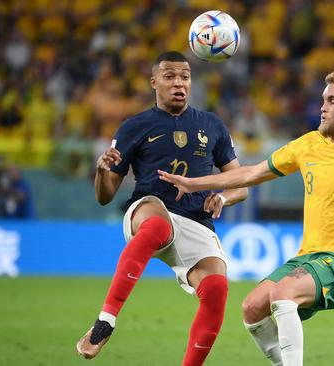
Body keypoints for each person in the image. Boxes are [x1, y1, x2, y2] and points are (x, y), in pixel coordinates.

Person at [158, 69, 334, 366]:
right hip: (307, 258)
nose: (322, 107)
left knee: (282, 294)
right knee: (252, 308)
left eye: (332, 101)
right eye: (323, 100)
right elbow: (251, 173)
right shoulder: (308, 144)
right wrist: (194, 183)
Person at [76, 51, 248, 366]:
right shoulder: (135, 126)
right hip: (149, 210)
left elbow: (241, 183)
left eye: (184, 77)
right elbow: (105, 196)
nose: (178, 83)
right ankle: (106, 320)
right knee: (157, 226)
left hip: (196, 220)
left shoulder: (211, 125)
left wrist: (223, 198)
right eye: (169, 76)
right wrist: (102, 170)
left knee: (217, 288)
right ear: (154, 82)